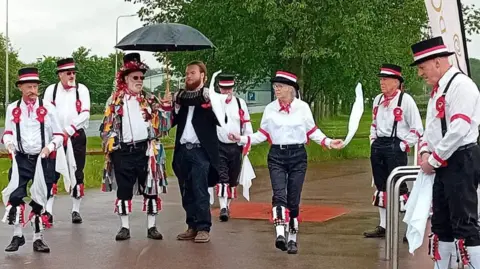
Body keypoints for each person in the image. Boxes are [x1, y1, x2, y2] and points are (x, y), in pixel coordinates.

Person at [229, 70, 344, 254]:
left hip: (298, 155)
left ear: (291, 89)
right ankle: (280, 234)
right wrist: (241, 139)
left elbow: (312, 131)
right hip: (276, 155)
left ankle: (292, 238)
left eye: (280, 87)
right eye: (275, 87)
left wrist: (329, 141)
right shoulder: (270, 109)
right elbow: (262, 134)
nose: (277, 90)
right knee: (279, 195)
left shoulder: (303, 108)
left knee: (293, 199)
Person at [412, 36, 480, 268]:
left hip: (461, 159)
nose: (420, 74)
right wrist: (424, 152)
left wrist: (433, 159)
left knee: (465, 222)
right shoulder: (437, 90)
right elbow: (430, 128)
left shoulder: (462, 86)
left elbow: (458, 129)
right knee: (441, 223)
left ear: (438, 62)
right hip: (443, 163)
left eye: (422, 68)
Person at [100, 53, 172, 241]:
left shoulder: (149, 99)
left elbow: (164, 127)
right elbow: (106, 127)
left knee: (151, 188)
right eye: (135, 78)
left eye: (141, 77)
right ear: (125, 79)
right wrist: (112, 141)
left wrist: (165, 108)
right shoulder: (115, 101)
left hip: (146, 151)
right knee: (123, 189)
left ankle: (152, 227)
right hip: (123, 152)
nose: (139, 81)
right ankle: (124, 227)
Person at [1, 67, 63, 253]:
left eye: (35, 86)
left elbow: (59, 135)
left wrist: (49, 148)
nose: (33, 91)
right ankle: (17, 235)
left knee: (39, 199)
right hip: (20, 159)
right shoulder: (13, 108)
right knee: (15, 196)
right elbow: (8, 133)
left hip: (42, 159)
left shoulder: (48, 108)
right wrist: (9, 144)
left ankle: (38, 238)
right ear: (20, 87)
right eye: (29, 86)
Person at [363, 64, 423, 239]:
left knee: (400, 186)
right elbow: (374, 123)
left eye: (385, 79)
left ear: (396, 82)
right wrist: (373, 140)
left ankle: (409, 226)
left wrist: (403, 145)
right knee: (381, 185)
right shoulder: (377, 100)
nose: (382, 82)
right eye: (381, 79)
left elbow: (417, 129)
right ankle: (383, 225)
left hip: (396, 146)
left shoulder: (406, 100)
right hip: (379, 145)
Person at [172, 60, 224, 243]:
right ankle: (192, 225)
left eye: (192, 73)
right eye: (187, 73)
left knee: (200, 189)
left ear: (203, 75)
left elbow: (220, 120)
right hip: (182, 150)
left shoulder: (211, 97)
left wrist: (210, 103)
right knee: (186, 191)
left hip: (200, 151)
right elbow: (172, 122)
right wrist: (172, 106)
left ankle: (203, 227)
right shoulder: (182, 99)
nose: (188, 76)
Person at [43, 58, 91, 224]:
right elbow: (47, 113)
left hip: (76, 136)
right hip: (56, 138)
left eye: (73, 72)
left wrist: (69, 130)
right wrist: (57, 134)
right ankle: (48, 210)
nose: (72, 75)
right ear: (60, 75)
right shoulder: (51, 90)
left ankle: (75, 210)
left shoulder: (81, 89)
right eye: (68, 73)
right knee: (51, 174)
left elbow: (85, 113)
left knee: (77, 172)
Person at [215, 74, 253, 222]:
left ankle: (228, 206)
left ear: (233, 88)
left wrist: (247, 142)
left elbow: (246, 123)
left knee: (232, 178)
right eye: (223, 89)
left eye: (228, 89)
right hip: (219, 145)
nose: (226, 92)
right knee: (222, 176)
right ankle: (223, 207)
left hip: (235, 146)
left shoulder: (240, 103)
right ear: (219, 88)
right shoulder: (215, 103)